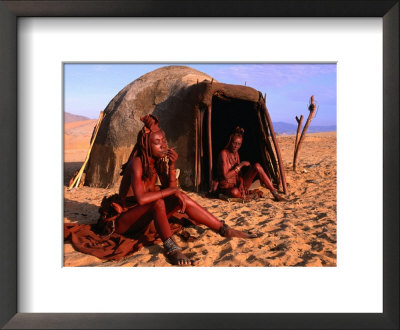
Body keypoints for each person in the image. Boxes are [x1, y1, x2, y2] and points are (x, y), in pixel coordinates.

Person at [101, 114, 256, 266]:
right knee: (159, 203)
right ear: (147, 145)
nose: (163, 145)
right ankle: (172, 249)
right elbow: (142, 199)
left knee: (178, 196)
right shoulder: (137, 163)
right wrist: (172, 192)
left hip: (145, 217)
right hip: (126, 221)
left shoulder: (157, 163)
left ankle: (224, 229)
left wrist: (172, 165)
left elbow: (172, 188)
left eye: (164, 140)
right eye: (157, 142)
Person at [215, 126, 286, 202]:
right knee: (234, 192)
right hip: (228, 188)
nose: (236, 146)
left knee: (257, 166)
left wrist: (241, 184)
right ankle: (249, 195)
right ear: (230, 142)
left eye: (239, 144)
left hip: (237, 185)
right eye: (234, 143)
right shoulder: (224, 153)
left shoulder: (236, 154)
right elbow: (226, 176)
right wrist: (241, 165)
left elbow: (239, 175)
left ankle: (275, 194)